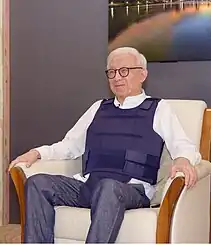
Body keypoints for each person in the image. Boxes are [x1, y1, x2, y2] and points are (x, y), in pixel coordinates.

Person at [9, 47, 200, 243]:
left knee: (108, 187)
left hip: (132, 189)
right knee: (37, 183)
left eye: (124, 71)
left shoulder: (159, 108)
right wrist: (37, 153)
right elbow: (69, 146)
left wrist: (183, 159)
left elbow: (182, 143)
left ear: (142, 74)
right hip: (89, 186)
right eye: (112, 72)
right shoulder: (98, 107)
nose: (117, 77)